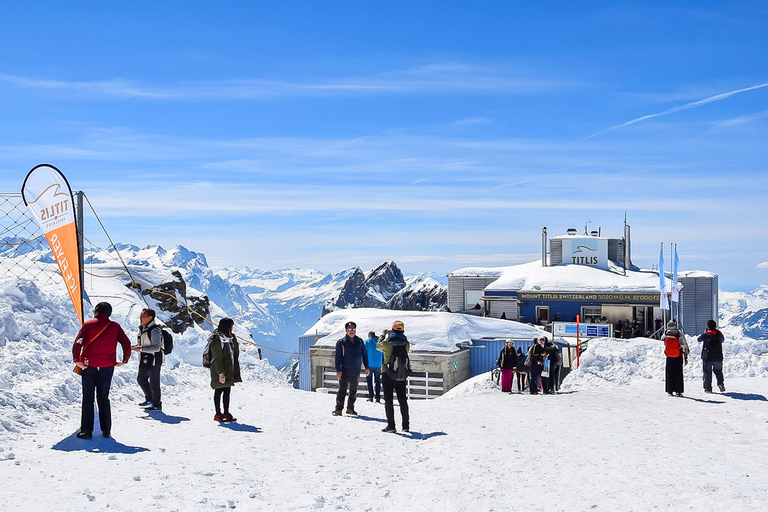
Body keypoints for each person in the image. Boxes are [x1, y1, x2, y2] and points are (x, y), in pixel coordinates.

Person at [72, 302, 131, 439]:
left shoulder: (88, 325)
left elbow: (78, 342)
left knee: (88, 398)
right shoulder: (115, 327)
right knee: (103, 397)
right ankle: (106, 431)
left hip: (88, 365)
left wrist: (76, 359)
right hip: (107, 366)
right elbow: (126, 343)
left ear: (96, 312)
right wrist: (124, 360)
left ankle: (86, 431)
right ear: (109, 313)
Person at [378, 320, 410, 433]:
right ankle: (405, 425)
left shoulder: (387, 343)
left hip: (387, 373)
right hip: (401, 373)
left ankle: (391, 426)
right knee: (402, 400)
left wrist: (383, 335)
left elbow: (378, 346)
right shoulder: (406, 343)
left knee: (389, 400)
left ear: (392, 330)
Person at [333, 321, 369, 416]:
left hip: (356, 370)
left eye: (353, 329)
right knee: (342, 390)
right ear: (346, 330)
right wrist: (338, 370)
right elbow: (337, 358)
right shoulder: (341, 342)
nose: (351, 331)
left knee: (353, 391)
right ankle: (338, 409)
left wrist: (367, 367)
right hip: (344, 370)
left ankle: (350, 408)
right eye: (350, 329)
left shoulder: (360, 341)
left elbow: (364, 355)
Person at [208, 318, 242, 422]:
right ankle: (218, 413)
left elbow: (235, 352)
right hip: (219, 369)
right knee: (218, 390)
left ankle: (226, 412)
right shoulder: (217, 339)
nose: (232, 328)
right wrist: (220, 373)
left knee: (227, 391)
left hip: (229, 368)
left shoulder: (230, 338)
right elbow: (217, 357)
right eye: (231, 326)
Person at [132, 308, 163, 411]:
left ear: (150, 318)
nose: (141, 318)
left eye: (143, 316)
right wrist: (136, 347)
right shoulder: (142, 328)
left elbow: (156, 347)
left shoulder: (155, 330)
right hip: (145, 357)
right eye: (141, 316)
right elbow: (143, 343)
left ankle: (157, 403)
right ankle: (149, 398)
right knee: (141, 379)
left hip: (155, 358)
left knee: (154, 382)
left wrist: (141, 349)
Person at [698, 319, 726, 393]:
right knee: (718, 371)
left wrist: (705, 332)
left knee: (707, 372)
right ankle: (720, 383)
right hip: (718, 356)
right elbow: (722, 340)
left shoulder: (706, 334)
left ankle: (708, 388)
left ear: (708, 326)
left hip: (707, 357)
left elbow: (699, 339)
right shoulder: (718, 333)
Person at [663, 320, 689, 396]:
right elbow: (683, 343)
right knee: (678, 373)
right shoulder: (679, 333)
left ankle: (669, 390)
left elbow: (663, 340)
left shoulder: (666, 333)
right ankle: (678, 390)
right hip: (678, 355)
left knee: (669, 373)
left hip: (669, 356)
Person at [364, 330, 383, 403]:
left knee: (369, 380)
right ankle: (378, 397)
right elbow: (383, 353)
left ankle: (371, 396)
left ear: (369, 335)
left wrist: (363, 362)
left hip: (369, 364)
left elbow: (364, 352)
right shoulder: (380, 342)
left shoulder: (368, 342)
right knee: (377, 381)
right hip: (378, 364)